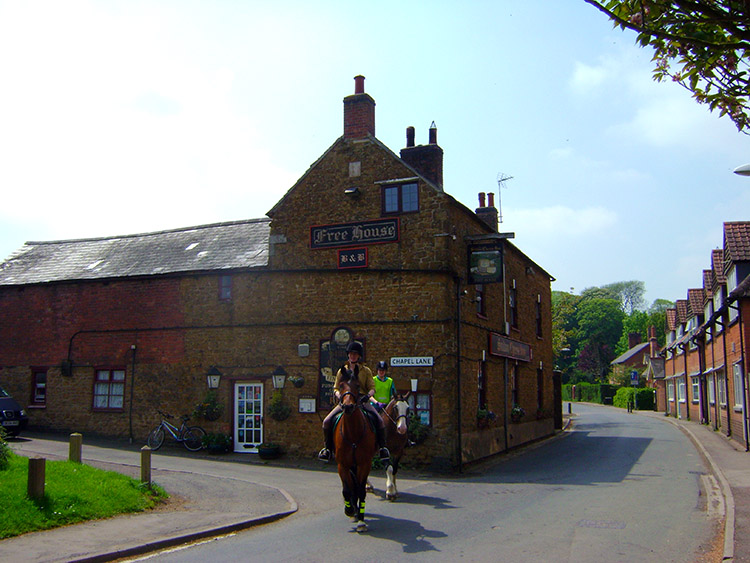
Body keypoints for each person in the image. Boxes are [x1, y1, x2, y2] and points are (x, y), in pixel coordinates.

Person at [318, 341, 391, 463]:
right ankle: (328, 449)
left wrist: (367, 396)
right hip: (345, 400)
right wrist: (339, 396)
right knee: (326, 421)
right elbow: (336, 388)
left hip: (361, 400)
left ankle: (382, 448)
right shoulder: (342, 371)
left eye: (355, 354)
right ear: (348, 355)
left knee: (379, 421)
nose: (353, 356)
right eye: (351, 354)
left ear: (359, 356)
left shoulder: (366, 371)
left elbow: (372, 388)